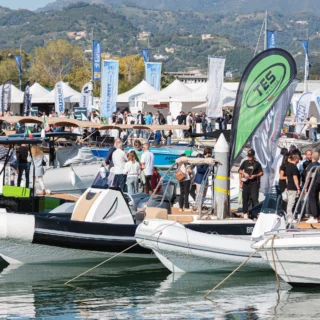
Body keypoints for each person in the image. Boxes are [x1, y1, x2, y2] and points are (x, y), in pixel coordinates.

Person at [239, 149, 263, 219]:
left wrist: (255, 176)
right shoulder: (245, 162)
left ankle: (256, 212)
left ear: (253, 156)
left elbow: (261, 173)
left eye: (250, 156)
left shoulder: (257, 164)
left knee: (254, 198)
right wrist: (244, 173)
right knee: (245, 198)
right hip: (246, 182)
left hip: (254, 182)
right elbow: (240, 170)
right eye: (248, 156)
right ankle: (245, 212)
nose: (249, 158)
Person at [305, 152, 320, 223]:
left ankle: (314, 216)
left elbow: (308, 177)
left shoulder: (310, 166)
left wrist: (305, 187)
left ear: (312, 157)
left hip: (312, 184)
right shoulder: (319, 165)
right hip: (318, 184)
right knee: (316, 199)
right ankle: (317, 216)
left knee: (312, 200)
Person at [285, 154, 301, 222]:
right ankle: (289, 217)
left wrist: (287, 186)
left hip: (289, 186)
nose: (299, 160)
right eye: (298, 159)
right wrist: (298, 188)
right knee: (291, 203)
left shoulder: (288, 166)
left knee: (290, 203)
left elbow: (287, 178)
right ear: (296, 159)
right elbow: (295, 178)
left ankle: (289, 216)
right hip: (293, 187)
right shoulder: (294, 167)